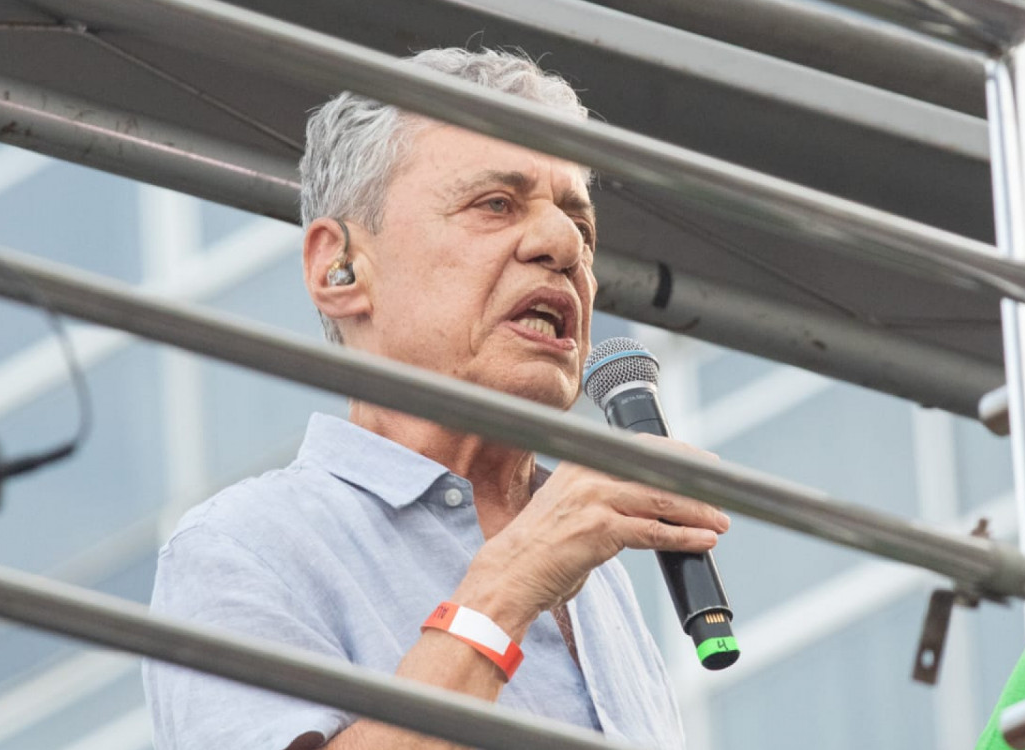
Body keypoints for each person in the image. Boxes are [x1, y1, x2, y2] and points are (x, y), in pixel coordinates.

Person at [142, 47, 730, 750]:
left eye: (583, 225)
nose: (562, 244)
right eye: (496, 204)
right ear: (341, 270)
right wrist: (513, 582)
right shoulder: (245, 545)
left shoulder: (605, 584)